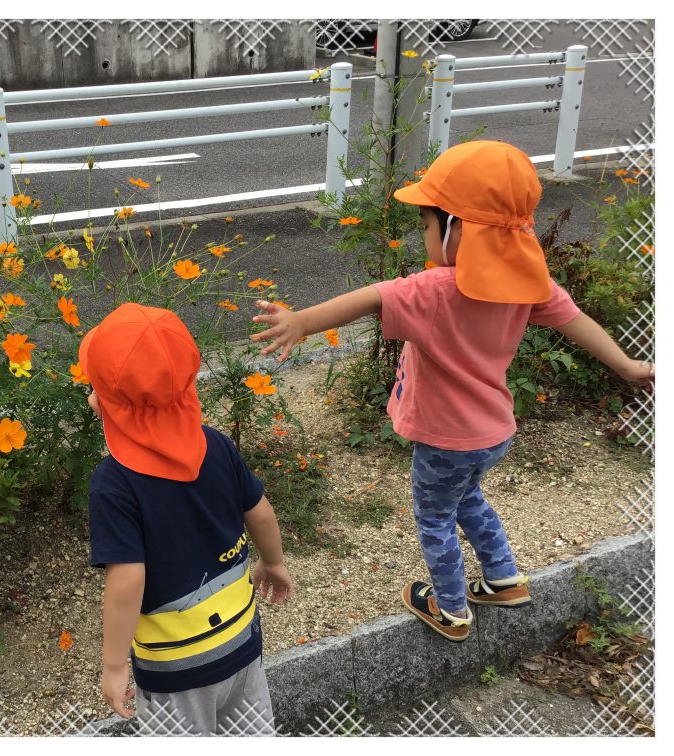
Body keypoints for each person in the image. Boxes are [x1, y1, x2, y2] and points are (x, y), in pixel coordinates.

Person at [251, 140, 654, 642]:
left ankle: (450, 607)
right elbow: (577, 322)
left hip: (446, 439)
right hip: (493, 431)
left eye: (426, 225)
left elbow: (370, 299)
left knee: (435, 516)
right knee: (468, 499)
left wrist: (301, 322)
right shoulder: (528, 281)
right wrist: (628, 365)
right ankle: (503, 578)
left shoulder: (435, 289)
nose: (423, 236)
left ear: (458, 228)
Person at [81, 302, 295, 734]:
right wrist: (273, 563)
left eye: (95, 387)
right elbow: (260, 511)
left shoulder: (114, 483)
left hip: (175, 665)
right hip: (241, 641)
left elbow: (128, 578)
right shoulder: (215, 445)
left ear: (107, 406)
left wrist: (113, 664)